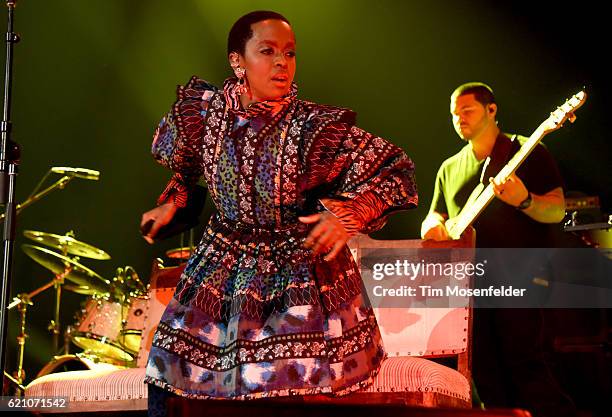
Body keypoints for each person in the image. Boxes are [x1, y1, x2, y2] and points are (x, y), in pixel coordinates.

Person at [141, 10, 417, 416]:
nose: (281, 63)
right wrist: (174, 201)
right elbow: (189, 169)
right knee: (168, 371)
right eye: (267, 51)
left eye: (289, 54)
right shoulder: (205, 116)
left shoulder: (310, 127)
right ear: (238, 61)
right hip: (223, 260)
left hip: (293, 266)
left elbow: (395, 169)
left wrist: (346, 214)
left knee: (283, 381)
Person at [420, 82, 576, 417]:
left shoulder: (526, 151)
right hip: (468, 285)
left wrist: (525, 199)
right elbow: (436, 213)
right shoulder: (449, 167)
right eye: (454, 114)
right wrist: (431, 226)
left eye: (468, 110)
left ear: (492, 110)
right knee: (483, 372)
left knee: (526, 364)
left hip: (519, 278)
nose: (459, 118)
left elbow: (557, 209)